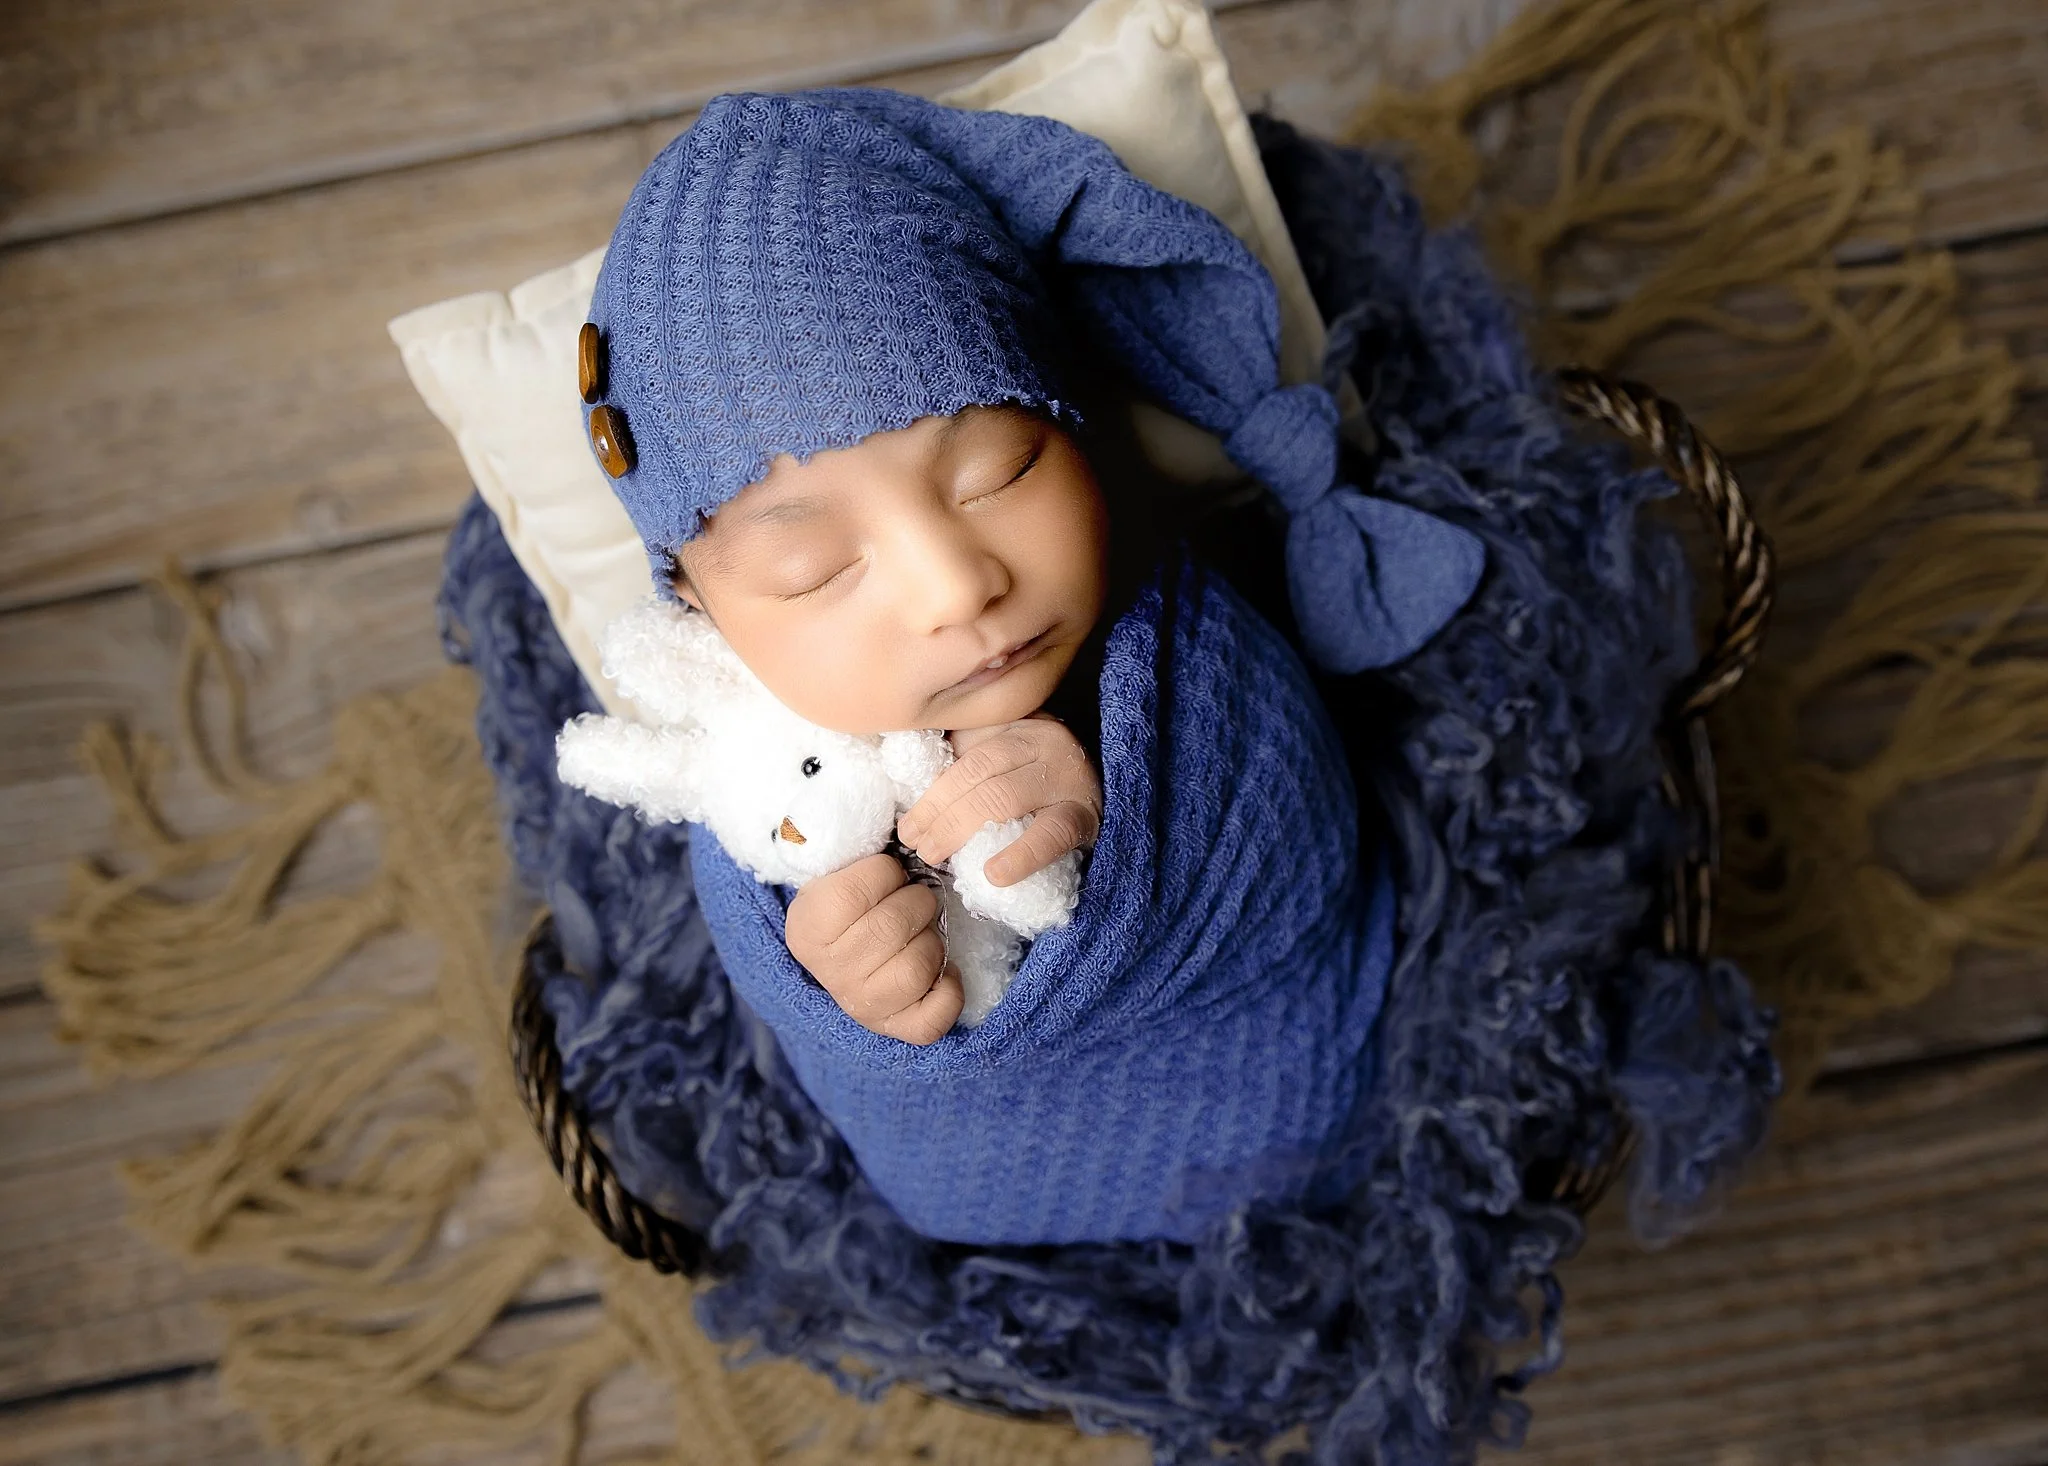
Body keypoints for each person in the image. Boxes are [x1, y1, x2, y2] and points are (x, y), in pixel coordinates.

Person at [575, 86, 1485, 1244]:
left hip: (1290, 1099)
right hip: (967, 1182)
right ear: (698, 613)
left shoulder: (1170, 622)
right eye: (811, 569)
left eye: (999, 468)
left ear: (1075, 425)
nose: (957, 585)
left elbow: (1302, 817)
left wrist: (1136, 821)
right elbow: (749, 893)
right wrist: (834, 976)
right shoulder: (744, 755)